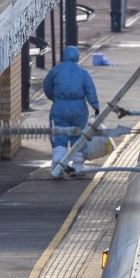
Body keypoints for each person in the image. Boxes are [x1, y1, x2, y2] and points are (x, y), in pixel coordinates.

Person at [43, 45, 100, 178]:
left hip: (60, 107)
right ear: (77, 57)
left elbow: (47, 87)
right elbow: (90, 91)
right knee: (78, 136)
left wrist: (54, 98)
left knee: (59, 135)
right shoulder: (83, 73)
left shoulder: (55, 70)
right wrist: (96, 107)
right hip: (79, 108)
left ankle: (58, 161)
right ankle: (78, 166)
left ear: (64, 56)